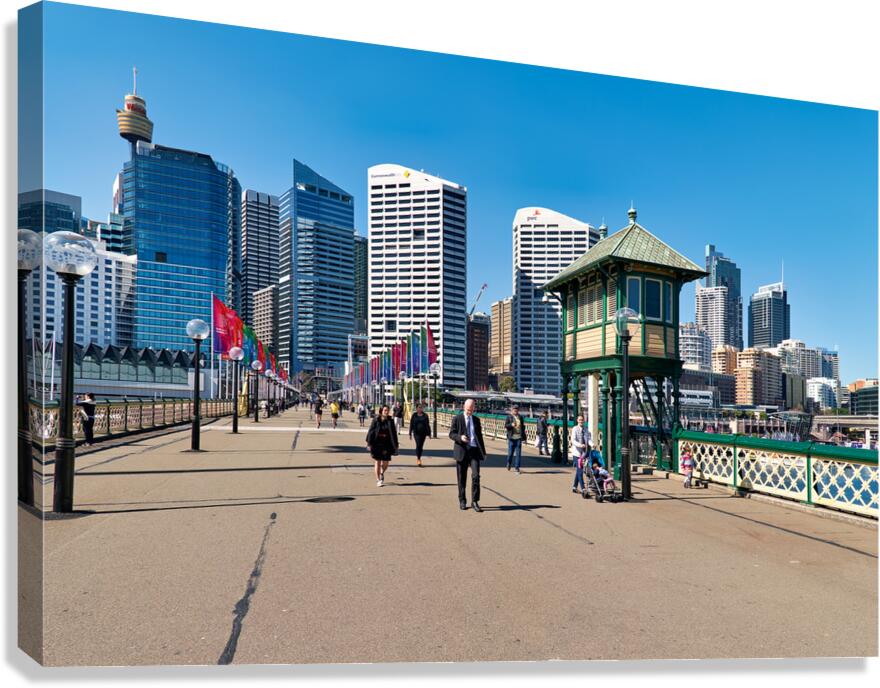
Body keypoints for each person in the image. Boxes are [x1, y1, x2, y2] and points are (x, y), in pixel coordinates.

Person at [449, 399, 486, 511]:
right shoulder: (457, 418)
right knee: (462, 478)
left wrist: (483, 452)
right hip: (462, 450)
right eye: (468, 409)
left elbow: (479, 437)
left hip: (474, 451)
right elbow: (451, 434)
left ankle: (475, 501)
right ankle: (462, 500)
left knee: (476, 476)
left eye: (472, 409)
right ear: (464, 407)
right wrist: (460, 437)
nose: (470, 412)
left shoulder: (476, 420)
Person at [366, 405, 398, 487]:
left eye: (387, 410)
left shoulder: (390, 421)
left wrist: (396, 444)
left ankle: (381, 472)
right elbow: (371, 431)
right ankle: (378, 479)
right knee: (378, 461)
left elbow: (394, 433)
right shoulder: (376, 420)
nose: (386, 412)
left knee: (386, 462)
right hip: (376, 443)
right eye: (385, 410)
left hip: (387, 443)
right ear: (381, 411)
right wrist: (369, 443)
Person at [570, 415, 588, 494]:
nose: (581, 421)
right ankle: (583, 488)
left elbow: (588, 439)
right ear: (577, 420)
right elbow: (573, 440)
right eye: (580, 420)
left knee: (578, 471)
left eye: (582, 420)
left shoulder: (585, 429)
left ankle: (574, 487)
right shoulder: (575, 429)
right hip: (576, 454)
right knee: (580, 471)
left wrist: (592, 444)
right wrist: (580, 445)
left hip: (584, 453)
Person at [504, 405, 525, 474]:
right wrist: (511, 425)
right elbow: (506, 426)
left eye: (517, 410)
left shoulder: (521, 417)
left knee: (518, 454)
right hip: (512, 438)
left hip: (518, 437)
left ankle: (517, 467)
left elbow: (523, 427)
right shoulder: (509, 417)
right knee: (510, 454)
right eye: (514, 410)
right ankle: (509, 463)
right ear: (512, 410)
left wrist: (524, 437)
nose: (515, 411)